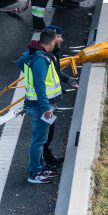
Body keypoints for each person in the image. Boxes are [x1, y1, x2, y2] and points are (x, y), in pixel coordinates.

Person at [18, 28, 63, 184]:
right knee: (38, 140)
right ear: (51, 42)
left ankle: (41, 166)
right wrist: (46, 108)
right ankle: (35, 173)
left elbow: (20, 63)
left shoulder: (32, 53)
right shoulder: (41, 59)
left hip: (37, 105)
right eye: (56, 40)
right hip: (40, 106)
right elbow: (39, 86)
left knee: (41, 139)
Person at [41, 25, 78, 166]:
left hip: (50, 102)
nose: (61, 40)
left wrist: (68, 80)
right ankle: (42, 163)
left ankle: (45, 158)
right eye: (59, 37)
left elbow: (55, 74)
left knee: (48, 132)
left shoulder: (52, 54)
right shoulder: (45, 57)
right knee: (43, 135)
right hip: (45, 103)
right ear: (51, 40)